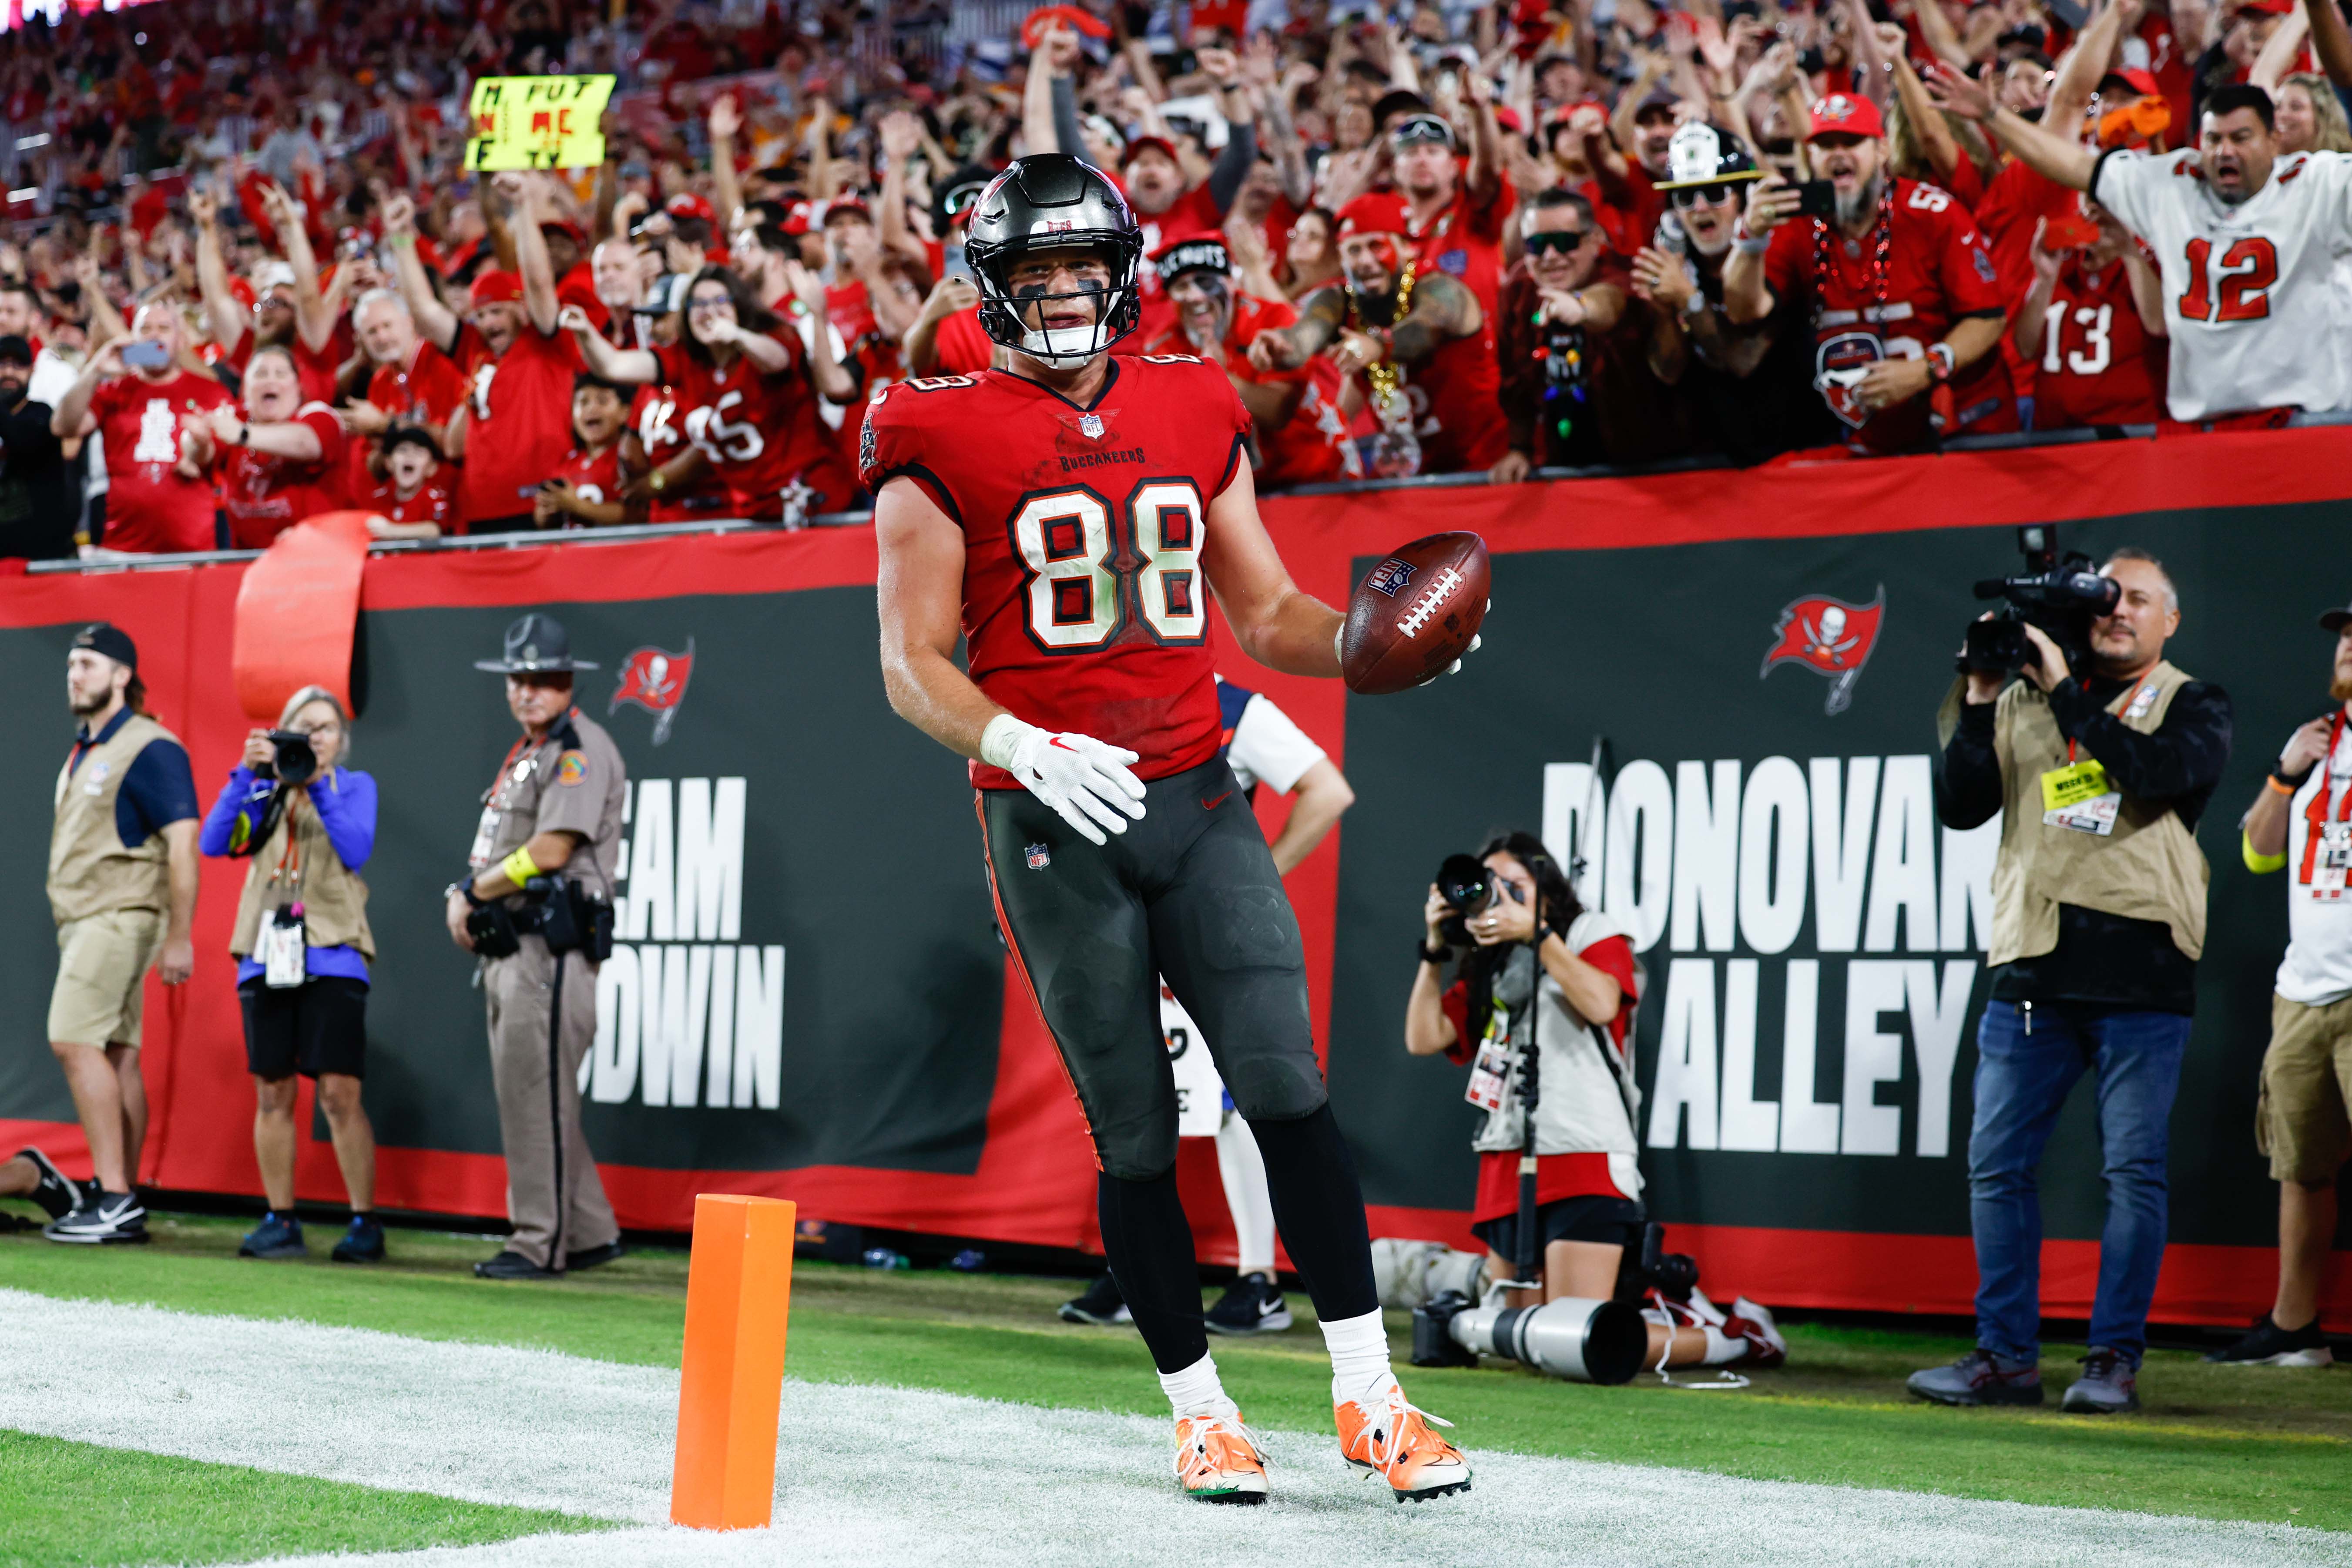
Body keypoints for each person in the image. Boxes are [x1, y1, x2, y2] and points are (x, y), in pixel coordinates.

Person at [866, 153, 1473, 1506]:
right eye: (1036, 273)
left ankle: (1370, 1397)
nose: (1067, 293)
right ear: (992, 287)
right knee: (1135, 1131)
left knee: (1289, 1091)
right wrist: (1015, 742)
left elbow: (1266, 616)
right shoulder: (934, 424)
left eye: (1086, 267)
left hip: (1198, 794)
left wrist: (1372, 643)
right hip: (1052, 812)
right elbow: (910, 662)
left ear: (1125, 269)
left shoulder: (1197, 399)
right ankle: (1199, 1411)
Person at [1919, 551, 2233, 1414]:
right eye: (2103, 596)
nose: (2115, 610)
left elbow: (2152, 774)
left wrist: (2063, 689)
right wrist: (1982, 693)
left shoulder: (2192, 701)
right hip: (2029, 962)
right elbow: (1958, 804)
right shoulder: (2022, 696)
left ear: (2168, 620)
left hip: (2140, 970)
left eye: (2136, 598)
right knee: (1994, 1167)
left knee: (2130, 1172)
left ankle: (2109, 1361)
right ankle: (2003, 1357)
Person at [1401, 832, 1785, 1376]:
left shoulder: (1588, 931)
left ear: (1547, 887)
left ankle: (1734, 1339)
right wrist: (1436, 947)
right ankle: (1670, 1311)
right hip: (1507, 1154)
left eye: (1515, 885)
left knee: (1572, 1338)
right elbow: (1423, 1037)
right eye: (1491, 887)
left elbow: (1603, 1002)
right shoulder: (1489, 960)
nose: (1500, 897)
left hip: (1581, 1147)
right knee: (1519, 1340)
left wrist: (1538, 937)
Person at [1059, 678, 1359, 1335]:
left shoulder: (1228, 706)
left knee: (1237, 1102)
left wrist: (1253, 883)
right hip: (1119, 925)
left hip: (1200, 926)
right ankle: (1136, 1269)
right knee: (1132, 1093)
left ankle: (1259, 1278)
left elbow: (1328, 788)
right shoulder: (1088, 696)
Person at [1927, 68, 2352, 423]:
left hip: (2303, 414)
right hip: (2206, 421)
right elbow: (2073, 164)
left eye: (2240, 138)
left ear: (2273, 140)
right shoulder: (2172, 183)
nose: (2224, 151)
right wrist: (1991, 114)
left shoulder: (2318, 182)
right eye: (2213, 140)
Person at [443, 614, 627, 1281]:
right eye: (517, 678)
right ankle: (588, 1231)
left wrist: (471, 890)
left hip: (549, 951)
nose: (528, 689)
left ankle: (536, 1240)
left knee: (534, 1097)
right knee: (539, 1096)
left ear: (569, 680)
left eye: (542, 677)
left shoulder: (576, 747)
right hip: (518, 951)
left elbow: (551, 850)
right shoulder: (531, 750)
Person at [198, 687, 383, 1264]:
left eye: (326, 728)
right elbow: (212, 841)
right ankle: (281, 1218)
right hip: (265, 949)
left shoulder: (355, 786)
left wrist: (316, 787)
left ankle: (363, 1221)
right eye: (303, 728)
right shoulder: (263, 787)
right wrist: (248, 773)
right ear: (283, 734)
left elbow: (356, 847)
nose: (315, 737)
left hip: (333, 950)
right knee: (272, 1089)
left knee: (339, 1090)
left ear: (341, 739)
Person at [2214, 601, 2352, 1367]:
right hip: (2303, 990)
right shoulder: (2316, 741)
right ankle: (2295, 1327)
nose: (2347, 645)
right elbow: (2260, 855)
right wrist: (2282, 771)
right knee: (2301, 1167)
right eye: (2343, 634)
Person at [1725, 92, 2016, 453]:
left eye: (1851, 142)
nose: (1837, 153)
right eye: (1825, 145)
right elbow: (1743, 310)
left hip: (1967, 427)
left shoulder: (1932, 213)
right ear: (1810, 157)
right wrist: (1749, 238)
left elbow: (1988, 318)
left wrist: (1927, 368)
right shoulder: (1794, 225)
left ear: (1881, 152)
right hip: (1870, 436)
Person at [43, 623, 200, 1245]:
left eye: (88, 663)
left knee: (72, 1038)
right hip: (90, 919)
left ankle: (112, 1195)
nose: (75, 673)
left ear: (122, 675)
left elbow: (184, 841)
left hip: (117, 916)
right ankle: (123, 1194)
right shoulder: (88, 746)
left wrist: (181, 935)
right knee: (118, 1054)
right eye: (71, 664)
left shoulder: (149, 744)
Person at [562, 266, 853, 523]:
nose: (708, 311)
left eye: (719, 301)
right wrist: (585, 332)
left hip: (815, 498)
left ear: (739, 306)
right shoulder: (686, 358)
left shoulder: (774, 335)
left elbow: (776, 360)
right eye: (698, 303)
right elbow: (614, 365)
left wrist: (737, 336)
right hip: (754, 509)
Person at [1248, 192, 1504, 478]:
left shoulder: (1442, 290)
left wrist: (1377, 345)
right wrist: (1282, 346)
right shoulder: (1338, 301)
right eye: (1353, 251)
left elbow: (1427, 326)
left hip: (1485, 471)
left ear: (1407, 249)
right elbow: (1307, 334)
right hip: (1410, 477)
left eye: (1376, 246)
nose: (1365, 261)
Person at [1629, 123, 1832, 465]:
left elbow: (1743, 361)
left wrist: (1689, 300)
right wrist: (1664, 310)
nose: (1699, 208)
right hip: (1719, 459)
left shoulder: (1775, 244)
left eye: (1714, 193)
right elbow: (1668, 371)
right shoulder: (1674, 256)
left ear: (1742, 198)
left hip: (1798, 446)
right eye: (1684, 196)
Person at [382, 179, 578, 534]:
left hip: (540, 504)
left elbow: (538, 284)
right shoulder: (476, 349)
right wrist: (400, 240)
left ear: (520, 310)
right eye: (482, 315)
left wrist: (523, 208)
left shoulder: (548, 341)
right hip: (481, 508)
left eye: (497, 312)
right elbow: (424, 313)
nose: (488, 322)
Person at [1493, 189, 1682, 477]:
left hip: (1648, 467)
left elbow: (1610, 301)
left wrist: (1580, 308)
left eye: (1564, 242)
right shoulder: (1517, 292)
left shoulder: (1627, 276)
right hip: (1565, 468)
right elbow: (1515, 386)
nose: (1550, 256)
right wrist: (1520, 449)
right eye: (1537, 245)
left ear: (1594, 241)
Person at [1141, 239, 1354, 488]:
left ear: (1231, 283)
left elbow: (1279, 412)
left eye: (1206, 282)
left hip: (1318, 471)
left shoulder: (1272, 320)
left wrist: (1218, 378)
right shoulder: (1161, 346)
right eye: (1182, 287)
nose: (1195, 296)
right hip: (1244, 487)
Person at [48, 302, 234, 554]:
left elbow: (216, 459)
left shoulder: (210, 392)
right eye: (145, 329)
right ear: (133, 340)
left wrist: (199, 445)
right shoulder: (113, 391)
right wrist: (95, 371)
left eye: (164, 328)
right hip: (122, 547)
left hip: (191, 548)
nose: (154, 335)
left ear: (180, 341)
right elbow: (63, 427)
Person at [2011, 203, 2169, 430]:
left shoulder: (2152, 261)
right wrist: (2044, 281)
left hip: (2132, 435)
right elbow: (2026, 348)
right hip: (2056, 436)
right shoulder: (2062, 261)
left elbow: (2160, 325)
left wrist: (2128, 249)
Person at [187, 345, 349, 550]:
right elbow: (201, 455)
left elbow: (307, 443)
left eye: (280, 374)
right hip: (250, 564)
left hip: (318, 559)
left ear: (298, 386)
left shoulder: (318, 415)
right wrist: (196, 439)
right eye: (261, 374)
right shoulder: (237, 419)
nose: (271, 380)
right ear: (246, 388)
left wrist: (242, 435)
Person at [0, 332, 79, 559]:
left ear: (32, 370)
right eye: (2, 364)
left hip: (46, 559)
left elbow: (23, 441)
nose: (9, 372)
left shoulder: (42, 415)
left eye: (18, 365)